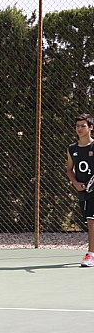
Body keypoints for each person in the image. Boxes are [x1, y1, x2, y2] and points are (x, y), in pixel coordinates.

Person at [66, 113, 94, 267]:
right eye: (77, 126)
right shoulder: (71, 149)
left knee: (92, 221)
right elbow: (70, 170)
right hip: (83, 191)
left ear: (91, 128)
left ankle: (90, 254)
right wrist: (75, 183)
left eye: (83, 126)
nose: (80, 129)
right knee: (89, 220)